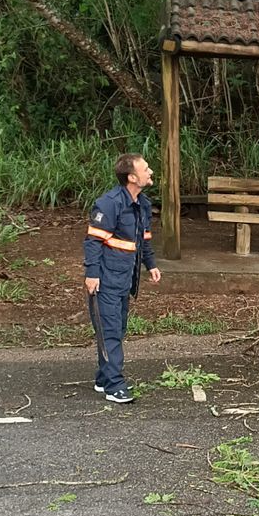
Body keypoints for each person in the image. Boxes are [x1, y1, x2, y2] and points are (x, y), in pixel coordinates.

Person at [84, 153, 161, 403]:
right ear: (131, 177)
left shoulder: (143, 204)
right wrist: (92, 274)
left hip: (124, 279)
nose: (150, 172)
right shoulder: (109, 203)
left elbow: (143, 239)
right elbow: (93, 241)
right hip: (105, 279)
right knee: (110, 331)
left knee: (117, 329)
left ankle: (104, 377)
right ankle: (115, 386)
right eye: (145, 169)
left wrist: (151, 265)